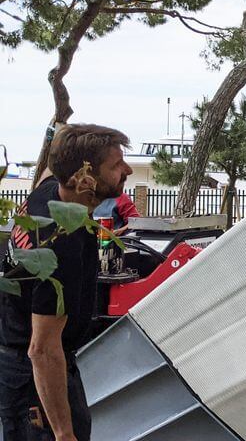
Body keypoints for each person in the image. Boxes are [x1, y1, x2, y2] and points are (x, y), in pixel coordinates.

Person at [1, 124, 133, 441]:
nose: (126, 170)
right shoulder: (59, 247)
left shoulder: (47, 192)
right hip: (34, 381)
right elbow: (42, 350)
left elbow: (54, 161)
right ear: (82, 178)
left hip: (17, 362)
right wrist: (62, 433)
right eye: (115, 166)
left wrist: (61, 124)